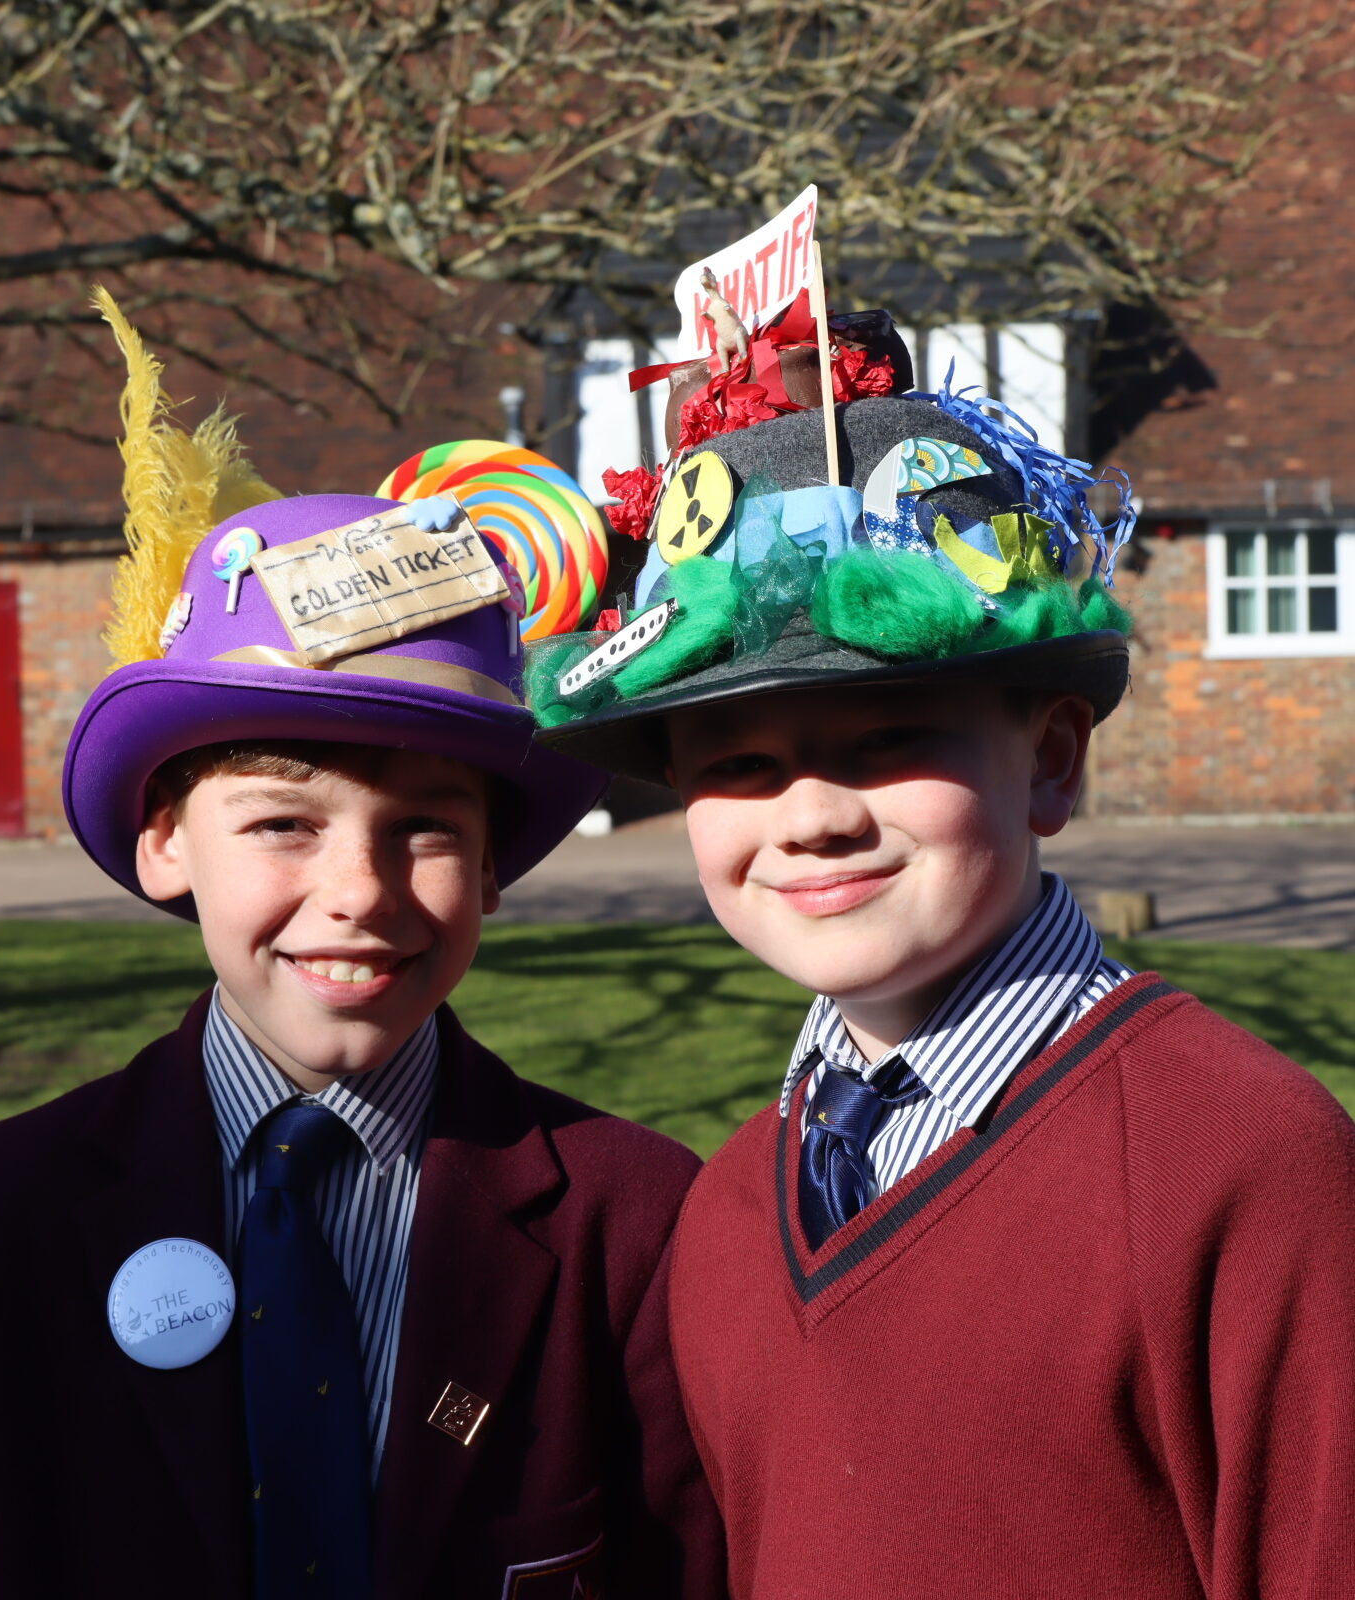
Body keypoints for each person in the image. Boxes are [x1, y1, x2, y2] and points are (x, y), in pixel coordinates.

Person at [0, 296, 725, 1600]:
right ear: (166, 843)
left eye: (426, 830)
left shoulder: (632, 1220)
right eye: (283, 823)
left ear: (493, 862)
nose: (360, 893)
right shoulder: (0, 1213)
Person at [526, 299, 1355, 1596]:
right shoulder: (730, 1212)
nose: (812, 816)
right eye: (737, 763)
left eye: (888, 739)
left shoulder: (1237, 1159)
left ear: (1053, 760)